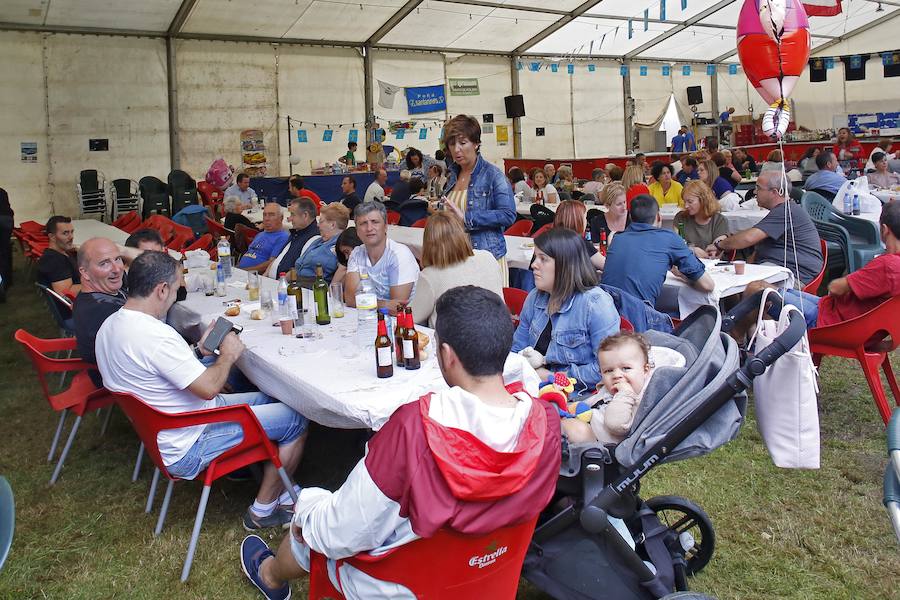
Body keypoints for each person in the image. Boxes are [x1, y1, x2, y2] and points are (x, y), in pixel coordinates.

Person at [240, 285, 561, 600]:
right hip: (489, 572)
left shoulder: (415, 431)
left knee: (313, 519)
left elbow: (341, 532)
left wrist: (307, 509)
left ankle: (270, 575)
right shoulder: (544, 421)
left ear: (446, 356)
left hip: (402, 583)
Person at [96, 251, 309, 530]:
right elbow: (208, 388)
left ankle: (283, 487)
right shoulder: (155, 336)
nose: (176, 296)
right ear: (161, 290)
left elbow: (164, 372)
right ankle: (263, 510)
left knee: (275, 397)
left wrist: (200, 351)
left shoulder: (110, 326)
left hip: (168, 427)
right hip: (190, 441)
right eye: (175, 289)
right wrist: (227, 356)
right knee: (297, 416)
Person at [754, 201, 900, 330]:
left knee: (755, 289)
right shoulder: (892, 264)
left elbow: (835, 288)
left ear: (885, 229)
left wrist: (848, 282)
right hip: (848, 318)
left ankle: (744, 341)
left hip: (832, 323)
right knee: (771, 288)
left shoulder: (888, 265)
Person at [511, 228, 618, 393]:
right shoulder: (534, 298)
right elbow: (517, 348)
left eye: (543, 259)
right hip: (530, 385)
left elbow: (607, 369)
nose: (533, 265)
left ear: (565, 264)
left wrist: (551, 377)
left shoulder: (595, 304)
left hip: (576, 396)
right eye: (535, 257)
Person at [442, 115, 517, 285]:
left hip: (486, 259)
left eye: (462, 142)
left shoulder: (493, 175)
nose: (457, 149)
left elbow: (508, 214)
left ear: (476, 143)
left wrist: (467, 218)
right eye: (452, 144)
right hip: (455, 257)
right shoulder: (452, 175)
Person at [601, 195, 714, 306]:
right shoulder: (669, 239)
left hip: (607, 313)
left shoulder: (617, 238)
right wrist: (684, 277)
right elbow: (708, 285)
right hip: (639, 316)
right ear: (658, 217)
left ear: (630, 218)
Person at [714, 170, 823, 285]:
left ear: (774, 192)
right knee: (734, 283)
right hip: (780, 269)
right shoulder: (784, 210)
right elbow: (757, 248)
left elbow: (748, 238)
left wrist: (720, 245)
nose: (755, 192)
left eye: (758, 188)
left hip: (795, 275)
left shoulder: (785, 211)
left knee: (749, 287)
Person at [409, 212, 502, 327]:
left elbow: (411, 317)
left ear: (428, 244)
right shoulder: (488, 257)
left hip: (454, 342)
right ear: (462, 235)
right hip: (498, 335)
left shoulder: (430, 276)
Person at [560, 332, 653, 444]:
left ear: (645, 370)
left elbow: (616, 425)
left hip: (600, 443)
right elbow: (593, 401)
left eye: (626, 368)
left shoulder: (640, 398)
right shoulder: (609, 389)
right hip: (587, 421)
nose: (616, 375)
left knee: (572, 429)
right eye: (609, 371)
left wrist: (625, 393)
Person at [344, 201, 419, 313]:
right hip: (369, 318)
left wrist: (364, 302)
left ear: (385, 227)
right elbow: (350, 300)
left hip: (403, 324)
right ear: (357, 231)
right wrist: (383, 304)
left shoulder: (399, 254)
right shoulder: (356, 254)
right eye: (363, 223)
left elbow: (397, 309)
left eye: (375, 222)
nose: (369, 228)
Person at [72, 237, 127, 387]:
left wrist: (125, 251)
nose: (117, 269)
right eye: (104, 263)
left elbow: (153, 265)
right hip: (123, 381)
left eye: (118, 259)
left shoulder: (103, 290)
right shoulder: (104, 311)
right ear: (85, 273)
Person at [294, 202, 349, 282]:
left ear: (332, 225)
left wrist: (331, 292)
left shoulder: (343, 245)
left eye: (321, 221)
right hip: (298, 283)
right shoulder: (317, 241)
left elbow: (343, 270)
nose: (318, 225)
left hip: (316, 288)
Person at [674, 180, 730, 259]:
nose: (686, 206)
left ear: (703, 200)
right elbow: (676, 244)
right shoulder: (681, 218)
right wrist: (692, 250)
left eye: (690, 201)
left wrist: (714, 251)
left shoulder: (719, 220)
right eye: (684, 201)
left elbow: (716, 248)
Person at [267, 198, 319, 278]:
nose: (289, 219)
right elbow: (279, 257)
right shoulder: (297, 232)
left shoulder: (314, 239)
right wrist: (264, 277)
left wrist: (280, 282)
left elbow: (300, 269)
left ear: (305, 215)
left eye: (292, 214)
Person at [238, 202, 290, 273]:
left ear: (281, 218)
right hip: (240, 272)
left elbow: (271, 264)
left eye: (271, 215)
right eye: (264, 215)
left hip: (255, 275)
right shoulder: (260, 234)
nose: (266, 219)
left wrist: (244, 271)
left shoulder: (283, 237)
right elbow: (248, 254)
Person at [554, 200, 605, 270]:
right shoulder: (581, 244)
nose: (586, 222)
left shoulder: (549, 240)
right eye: (585, 218)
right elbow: (606, 266)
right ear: (578, 221)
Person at [37, 216, 80, 296]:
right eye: (65, 233)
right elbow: (66, 293)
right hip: (80, 304)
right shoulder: (54, 260)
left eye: (72, 232)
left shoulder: (61, 252)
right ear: (52, 237)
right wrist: (97, 285)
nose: (71, 237)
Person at [0, 188, 14, 296]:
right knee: (4, 252)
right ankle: (7, 280)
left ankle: (2, 287)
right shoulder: (2, 191)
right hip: (7, 220)